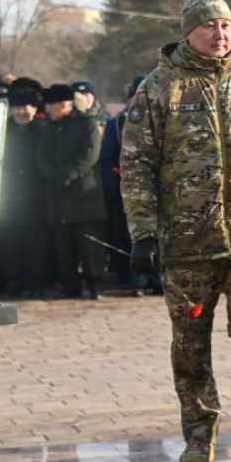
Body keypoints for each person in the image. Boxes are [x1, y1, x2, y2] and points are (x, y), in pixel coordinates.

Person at [122, 0, 231, 462]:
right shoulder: (160, 89)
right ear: (189, 31)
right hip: (186, 244)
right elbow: (136, 165)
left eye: (227, 26)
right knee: (190, 344)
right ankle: (199, 437)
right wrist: (143, 233)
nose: (221, 35)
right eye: (210, 27)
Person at [39, 83, 107, 299]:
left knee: (89, 245)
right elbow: (40, 156)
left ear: (63, 105)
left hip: (84, 195)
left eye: (51, 105)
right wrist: (52, 175)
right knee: (64, 246)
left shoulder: (86, 124)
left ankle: (94, 283)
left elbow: (89, 154)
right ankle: (70, 284)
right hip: (58, 196)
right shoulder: (47, 127)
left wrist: (69, 174)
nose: (47, 109)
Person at [101, 75, 154, 297]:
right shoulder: (116, 123)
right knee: (125, 236)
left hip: (156, 191)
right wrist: (114, 187)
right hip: (124, 190)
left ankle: (156, 278)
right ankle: (134, 280)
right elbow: (107, 159)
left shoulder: (163, 119)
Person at [0, 83, 48, 297]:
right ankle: (11, 281)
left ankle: (35, 283)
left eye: (27, 106)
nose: (22, 111)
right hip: (7, 195)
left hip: (36, 195)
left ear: (35, 108)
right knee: (9, 242)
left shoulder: (43, 129)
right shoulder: (2, 129)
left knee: (35, 243)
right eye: (17, 107)